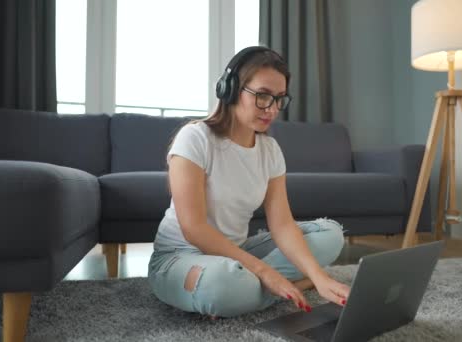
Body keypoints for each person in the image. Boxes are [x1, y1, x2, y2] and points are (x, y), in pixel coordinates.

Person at [147, 46, 350, 318]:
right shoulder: (194, 138)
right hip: (179, 257)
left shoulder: (271, 150)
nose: (272, 109)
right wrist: (265, 271)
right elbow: (193, 229)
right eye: (263, 96)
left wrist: (320, 278)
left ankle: (254, 289)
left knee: (330, 235)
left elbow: (282, 225)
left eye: (279, 99)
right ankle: (268, 286)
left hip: (237, 252)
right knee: (222, 285)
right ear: (231, 89)